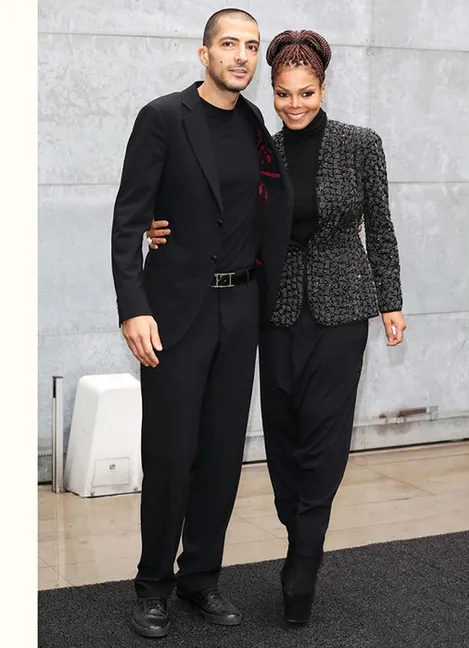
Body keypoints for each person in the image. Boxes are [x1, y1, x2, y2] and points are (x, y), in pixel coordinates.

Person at [147, 28, 406, 627]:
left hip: (344, 307)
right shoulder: (263, 146)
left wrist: (390, 301)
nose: (294, 105)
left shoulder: (361, 145)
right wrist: (159, 226)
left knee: (325, 435)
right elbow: (220, 204)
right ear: (272, 90)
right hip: (275, 308)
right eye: (284, 93)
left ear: (323, 88)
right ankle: (296, 532)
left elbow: (381, 228)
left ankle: (305, 557)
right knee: (283, 434)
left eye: (305, 93)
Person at [111, 8, 292, 638]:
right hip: (174, 313)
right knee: (170, 453)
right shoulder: (163, 117)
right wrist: (133, 306)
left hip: (241, 311)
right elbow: (128, 220)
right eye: (229, 44)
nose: (241, 56)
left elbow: (266, 208)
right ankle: (152, 587)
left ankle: (200, 580)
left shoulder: (255, 123)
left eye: (252, 46)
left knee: (220, 454)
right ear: (204, 53)